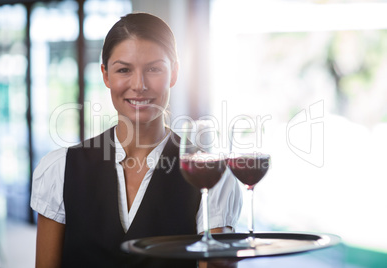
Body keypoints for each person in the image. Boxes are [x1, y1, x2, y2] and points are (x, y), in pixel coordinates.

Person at [31, 12, 242, 268]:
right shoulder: (60, 169)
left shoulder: (213, 178)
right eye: (124, 70)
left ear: (174, 73)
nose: (139, 84)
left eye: (154, 69)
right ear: (106, 75)